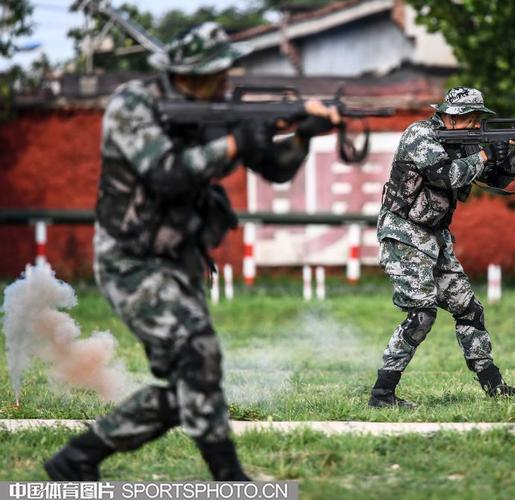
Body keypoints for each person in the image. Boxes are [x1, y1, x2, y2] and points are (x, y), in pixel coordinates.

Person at [44, 23, 339, 481]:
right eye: (218, 72)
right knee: (199, 360)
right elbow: (166, 173)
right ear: (191, 73)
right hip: (131, 260)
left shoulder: (212, 110)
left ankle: (78, 459)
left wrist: (302, 135)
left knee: (192, 378)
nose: (227, 81)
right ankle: (227, 477)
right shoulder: (134, 106)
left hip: (178, 260)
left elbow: (275, 170)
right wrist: (237, 140)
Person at [368, 87, 515, 408]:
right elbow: (445, 175)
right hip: (404, 233)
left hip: (436, 235)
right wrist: (484, 154)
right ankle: (382, 395)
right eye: (469, 119)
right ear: (449, 117)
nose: (475, 125)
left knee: (469, 309)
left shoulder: (465, 141)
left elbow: (498, 180)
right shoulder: (419, 135)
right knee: (422, 314)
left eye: (478, 119)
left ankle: (495, 388)